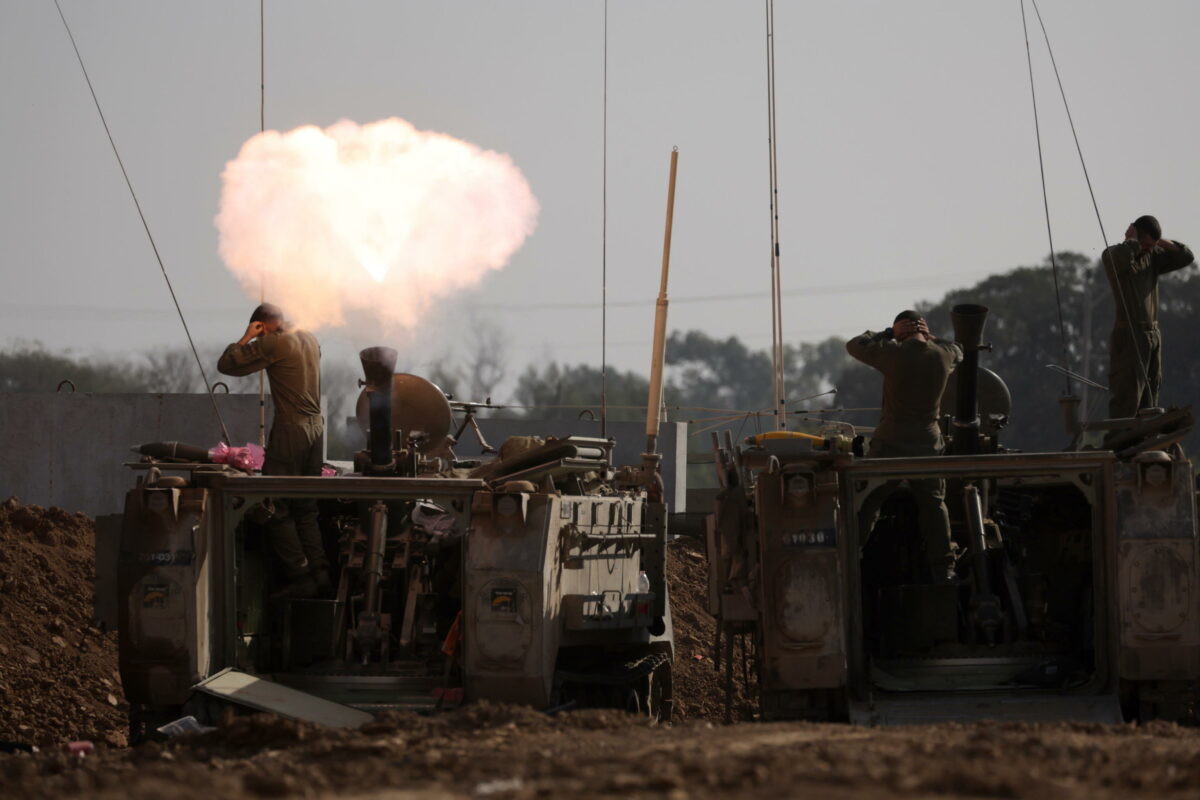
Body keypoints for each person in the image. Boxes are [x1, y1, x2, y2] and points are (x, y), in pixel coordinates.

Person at [218, 302, 328, 599]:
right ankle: (320, 573)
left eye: (259, 330)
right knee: (306, 506)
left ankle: (301, 575)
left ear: (263, 325)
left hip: (291, 428)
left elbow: (227, 364)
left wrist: (246, 338)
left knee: (272, 503)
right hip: (317, 428)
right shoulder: (309, 336)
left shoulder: (274, 341)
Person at [846, 311, 963, 584]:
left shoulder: (891, 354)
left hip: (891, 444)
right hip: (928, 444)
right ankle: (943, 567)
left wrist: (888, 333)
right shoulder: (942, 355)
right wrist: (932, 336)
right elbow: (960, 350)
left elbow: (854, 344)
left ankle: (851, 555)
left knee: (870, 502)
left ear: (902, 333)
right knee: (934, 505)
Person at [1102, 215, 1195, 419]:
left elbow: (1186, 256)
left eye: (1151, 246)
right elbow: (1120, 256)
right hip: (1129, 334)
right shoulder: (1116, 255)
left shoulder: (1152, 257)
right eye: (1145, 244)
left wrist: (1158, 241)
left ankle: (1144, 437)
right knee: (1128, 394)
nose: (1148, 249)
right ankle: (1120, 441)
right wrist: (1133, 241)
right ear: (1133, 234)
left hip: (1152, 336)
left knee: (1150, 394)